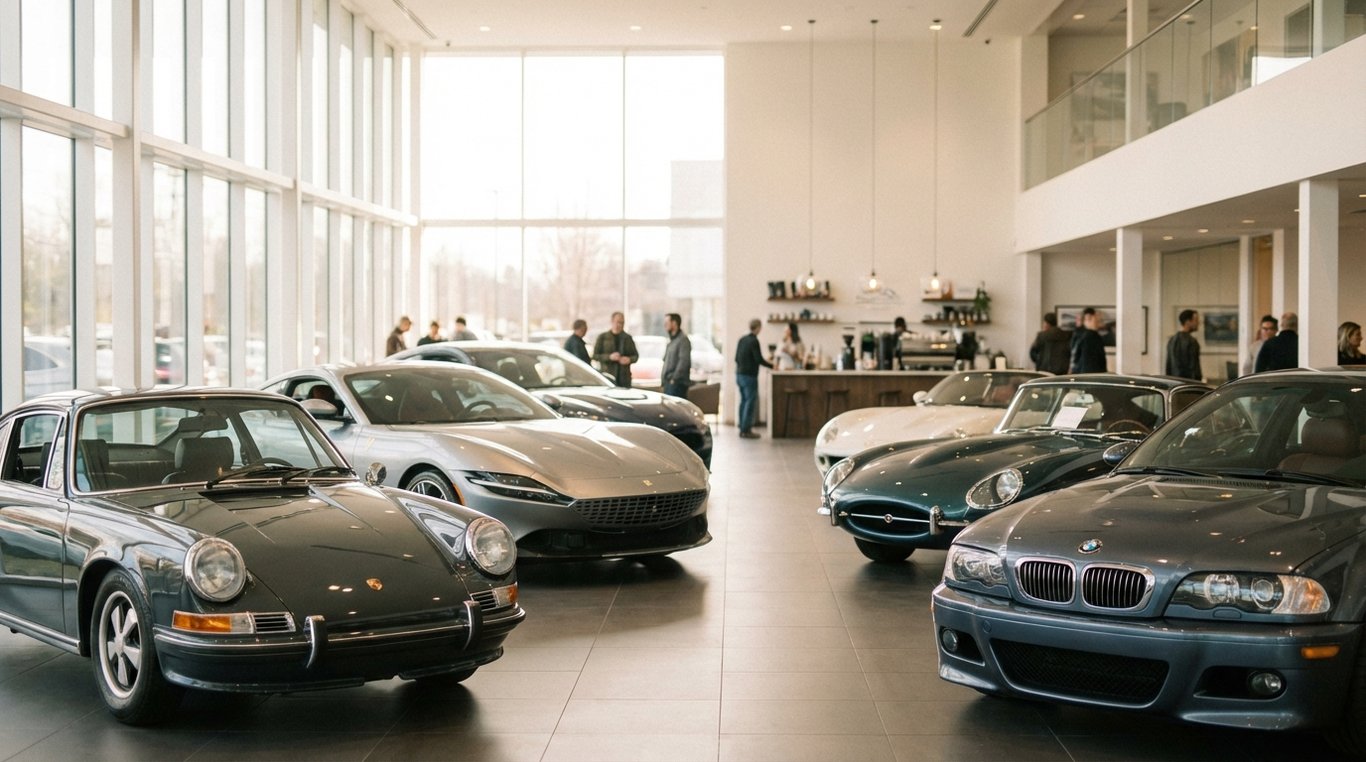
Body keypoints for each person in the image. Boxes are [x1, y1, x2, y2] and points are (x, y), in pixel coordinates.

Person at [735, 318, 772, 439]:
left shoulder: (742, 339)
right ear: (758, 328)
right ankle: (746, 430)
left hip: (739, 375)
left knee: (743, 401)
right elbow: (758, 359)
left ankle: (742, 427)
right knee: (750, 402)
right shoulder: (754, 341)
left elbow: (736, 358)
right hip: (749, 376)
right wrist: (772, 365)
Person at [592, 311, 639, 387]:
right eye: (617, 322)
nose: (619, 325)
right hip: (607, 376)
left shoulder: (627, 338)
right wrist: (609, 357)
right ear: (612, 322)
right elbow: (595, 356)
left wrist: (629, 359)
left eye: (621, 323)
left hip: (624, 378)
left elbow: (635, 356)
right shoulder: (603, 337)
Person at [1164, 309, 1203, 380]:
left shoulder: (1172, 340)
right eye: (1196, 320)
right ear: (1188, 322)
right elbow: (1194, 369)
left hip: (1174, 383)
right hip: (1188, 385)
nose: (1198, 323)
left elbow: (1168, 367)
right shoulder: (1191, 341)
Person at [661, 313, 692, 398]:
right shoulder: (672, 341)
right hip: (668, 384)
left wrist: (674, 379)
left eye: (667, 323)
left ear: (674, 323)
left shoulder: (683, 340)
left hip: (677, 385)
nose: (664, 325)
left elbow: (684, 362)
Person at [1069, 307, 1107, 374]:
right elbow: (1088, 363)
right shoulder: (1089, 337)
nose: (1098, 321)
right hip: (1091, 376)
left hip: (1089, 375)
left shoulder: (1089, 336)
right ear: (1088, 319)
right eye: (1096, 318)